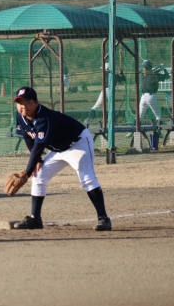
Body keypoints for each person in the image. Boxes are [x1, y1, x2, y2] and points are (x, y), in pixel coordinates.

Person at [9, 86, 111, 231]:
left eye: (28, 102)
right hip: (58, 148)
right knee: (39, 175)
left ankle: (104, 219)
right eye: (20, 103)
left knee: (87, 179)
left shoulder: (44, 118)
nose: (23, 106)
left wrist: (27, 171)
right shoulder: (20, 115)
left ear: (36, 102)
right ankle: (35, 219)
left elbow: (39, 146)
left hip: (78, 143)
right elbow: (27, 136)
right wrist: (37, 161)